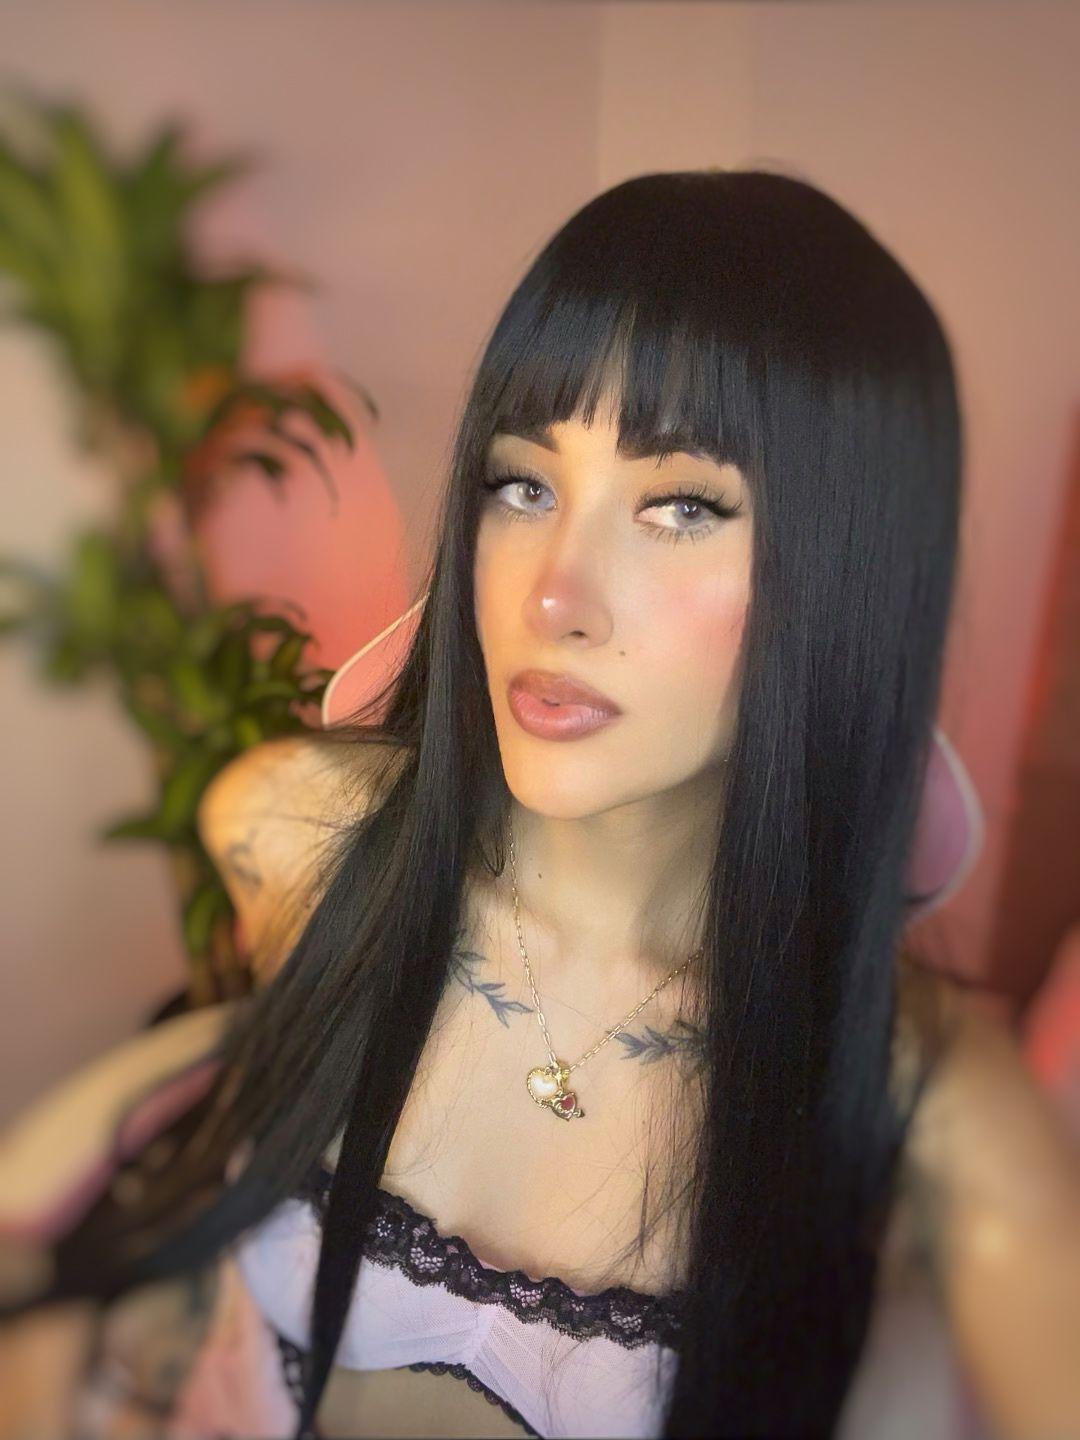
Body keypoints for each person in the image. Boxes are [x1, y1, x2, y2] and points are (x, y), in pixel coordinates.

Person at [2, 167, 1079, 1440]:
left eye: (682, 506)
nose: (553, 596)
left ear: (846, 571)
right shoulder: (291, 833)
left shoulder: (928, 1112)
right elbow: (258, 1045)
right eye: (522, 484)